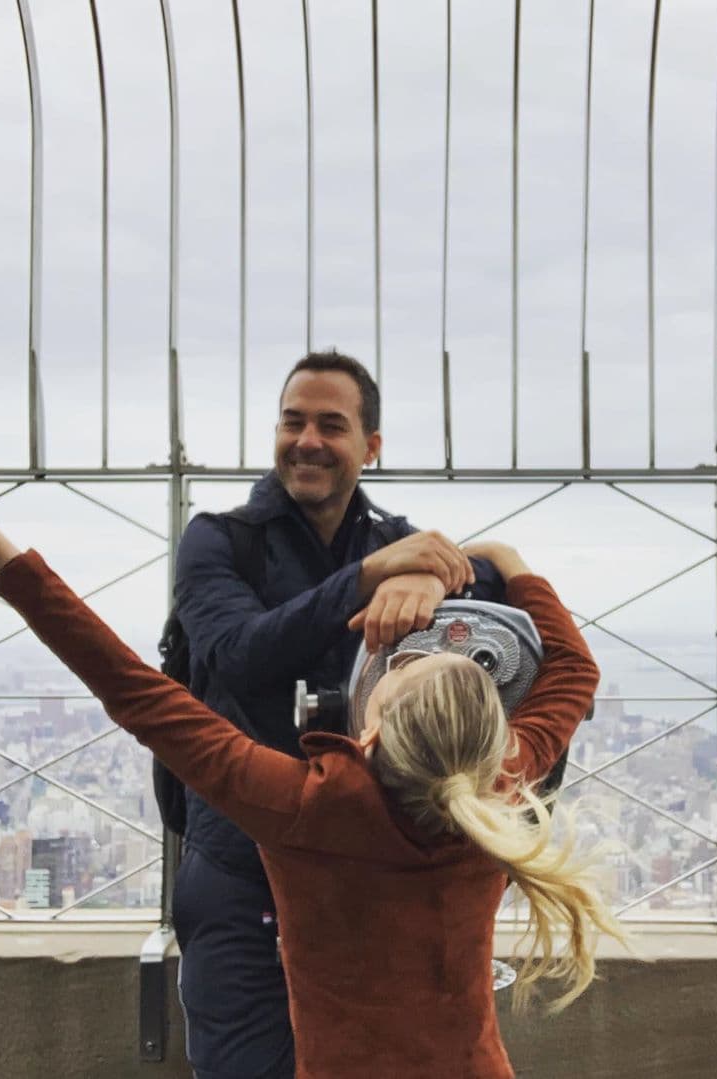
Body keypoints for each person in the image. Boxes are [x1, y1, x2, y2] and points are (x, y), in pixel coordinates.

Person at [0, 469, 623, 1079]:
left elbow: (132, 687)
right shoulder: (496, 788)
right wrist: (502, 555)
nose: (403, 650)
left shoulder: (306, 807)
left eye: (399, 661)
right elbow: (574, 667)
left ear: (367, 727)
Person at [171, 351, 505, 1077]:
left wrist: (431, 568)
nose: (308, 440)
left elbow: (491, 585)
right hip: (240, 868)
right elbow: (237, 653)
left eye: (332, 424)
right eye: (293, 421)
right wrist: (369, 579)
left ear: (371, 446)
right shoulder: (219, 541)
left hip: (364, 873)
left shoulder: (396, 542)